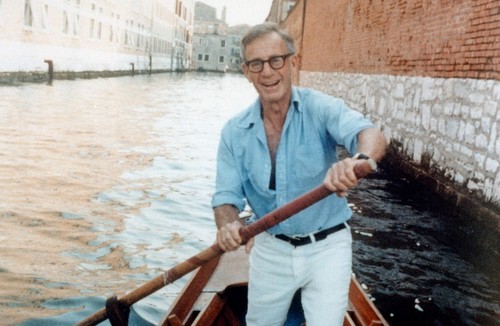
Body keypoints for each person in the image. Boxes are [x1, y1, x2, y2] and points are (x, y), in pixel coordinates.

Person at [211, 22, 387, 326]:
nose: (267, 72)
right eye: (257, 63)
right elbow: (225, 198)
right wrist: (228, 225)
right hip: (270, 246)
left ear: (294, 62)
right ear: (246, 71)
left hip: (328, 248)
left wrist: (358, 160)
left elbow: (370, 134)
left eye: (276, 60)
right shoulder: (233, 132)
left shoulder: (320, 108)